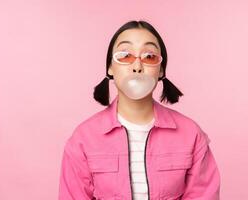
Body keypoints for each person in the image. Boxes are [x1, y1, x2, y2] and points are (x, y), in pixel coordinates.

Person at [58, 20, 220, 200]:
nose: (137, 66)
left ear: (160, 70)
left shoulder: (191, 134)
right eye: (125, 55)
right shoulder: (83, 138)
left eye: (149, 57)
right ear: (110, 67)